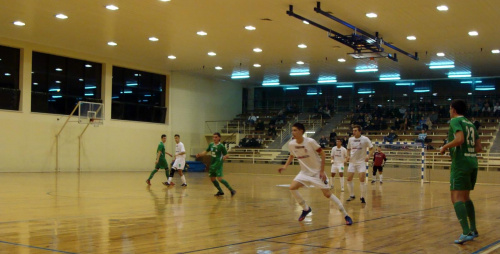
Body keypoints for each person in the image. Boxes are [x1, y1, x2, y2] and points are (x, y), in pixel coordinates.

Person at [278, 123, 352, 225]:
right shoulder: (292, 144)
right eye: (292, 130)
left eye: (295, 130)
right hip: (304, 172)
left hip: (317, 172)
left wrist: (321, 171)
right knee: (292, 187)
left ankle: (345, 215)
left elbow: (322, 153)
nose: (293, 132)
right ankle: (306, 209)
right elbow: (291, 155)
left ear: (301, 131)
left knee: (327, 194)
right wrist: (285, 166)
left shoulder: (310, 142)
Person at [439, 99, 481, 244]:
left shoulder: (455, 121)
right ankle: (473, 229)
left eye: (450, 109)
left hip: (460, 164)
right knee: (466, 197)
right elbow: (479, 147)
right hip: (472, 163)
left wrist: (445, 147)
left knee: (455, 198)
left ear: (454, 110)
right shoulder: (471, 124)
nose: (449, 111)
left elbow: (460, 139)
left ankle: (466, 231)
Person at [196, 132, 236, 197]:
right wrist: (199, 154)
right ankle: (220, 191)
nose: (214, 138)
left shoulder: (221, 146)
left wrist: (225, 157)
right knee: (212, 179)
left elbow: (227, 154)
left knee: (220, 179)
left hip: (218, 165)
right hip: (212, 165)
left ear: (219, 138)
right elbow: (205, 152)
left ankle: (231, 190)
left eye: (216, 137)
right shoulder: (211, 144)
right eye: (213, 137)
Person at [346, 125, 373, 204]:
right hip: (352, 162)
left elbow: (372, 149)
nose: (353, 132)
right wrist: (347, 156)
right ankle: (352, 195)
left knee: (362, 179)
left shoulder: (365, 139)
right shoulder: (350, 139)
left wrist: (368, 156)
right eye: (353, 130)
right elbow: (348, 149)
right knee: (349, 178)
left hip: (361, 162)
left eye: (355, 130)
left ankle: (362, 197)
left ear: (360, 131)